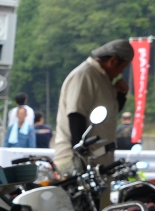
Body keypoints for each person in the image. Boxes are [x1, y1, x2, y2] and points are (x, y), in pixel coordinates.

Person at [52, 39, 131, 172]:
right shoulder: (85, 75)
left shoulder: (104, 79)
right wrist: (81, 156)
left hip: (98, 160)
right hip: (79, 160)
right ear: (112, 61)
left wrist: (120, 95)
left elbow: (107, 115)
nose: (121, 73)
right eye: (122, 68)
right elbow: (76, 115)